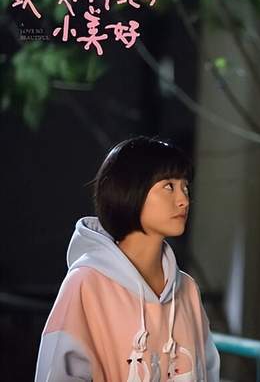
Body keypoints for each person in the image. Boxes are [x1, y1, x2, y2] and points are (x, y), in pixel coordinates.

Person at [35, 136, 220, 382]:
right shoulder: (86, 283)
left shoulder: (187, 289)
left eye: (185, 187)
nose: (183, 200)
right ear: (131, 190)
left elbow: (208, 371)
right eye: (168, 186)